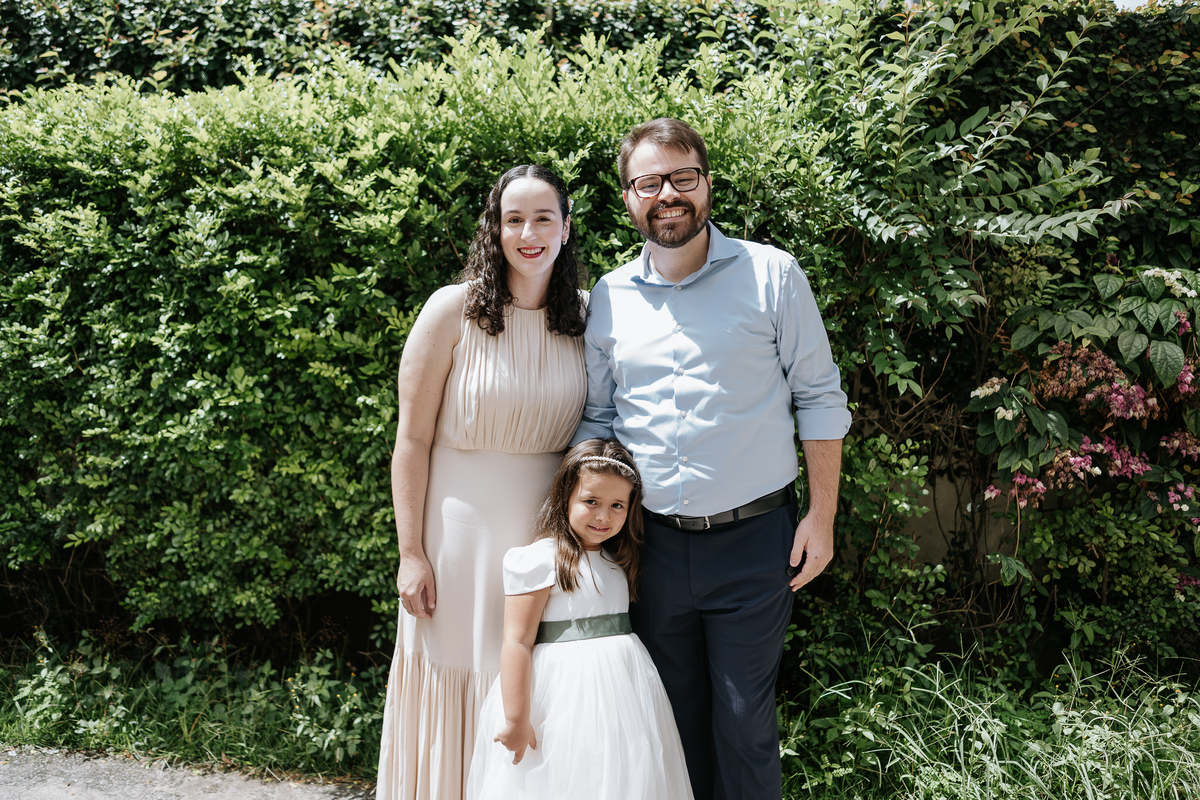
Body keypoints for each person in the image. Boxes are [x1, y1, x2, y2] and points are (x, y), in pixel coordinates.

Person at [571, 118, 852, 800]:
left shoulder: (772, 274)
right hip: (650, 547)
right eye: (648, 183)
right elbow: (599, 419)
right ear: (628, 197)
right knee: (668, 722)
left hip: (755, 542)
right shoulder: (610, 295)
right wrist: (582, 524)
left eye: (682, 177)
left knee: (744, 723)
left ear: (706, 184)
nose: (667, 194)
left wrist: (821, 517)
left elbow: (819, 397)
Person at [377, 165, 588, 800]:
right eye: (513, 219)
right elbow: (411, 440)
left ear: (566, 228)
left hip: (544, 542)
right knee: (459, 675)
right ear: (494, 230)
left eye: (543, 218)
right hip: (456, 545)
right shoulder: (452, 310)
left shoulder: (585, 318)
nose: (528, 233)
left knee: (531, 687)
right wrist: (410, 553)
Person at [465, 439, 694, 800]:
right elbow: (517, 641)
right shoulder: (541, 559)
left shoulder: (618, 560)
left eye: (617, 505)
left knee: (617, 774)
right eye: (591, 502)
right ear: (565, 498)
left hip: (624, 694)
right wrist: (516, 718)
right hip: (565, 694)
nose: (603, 516)